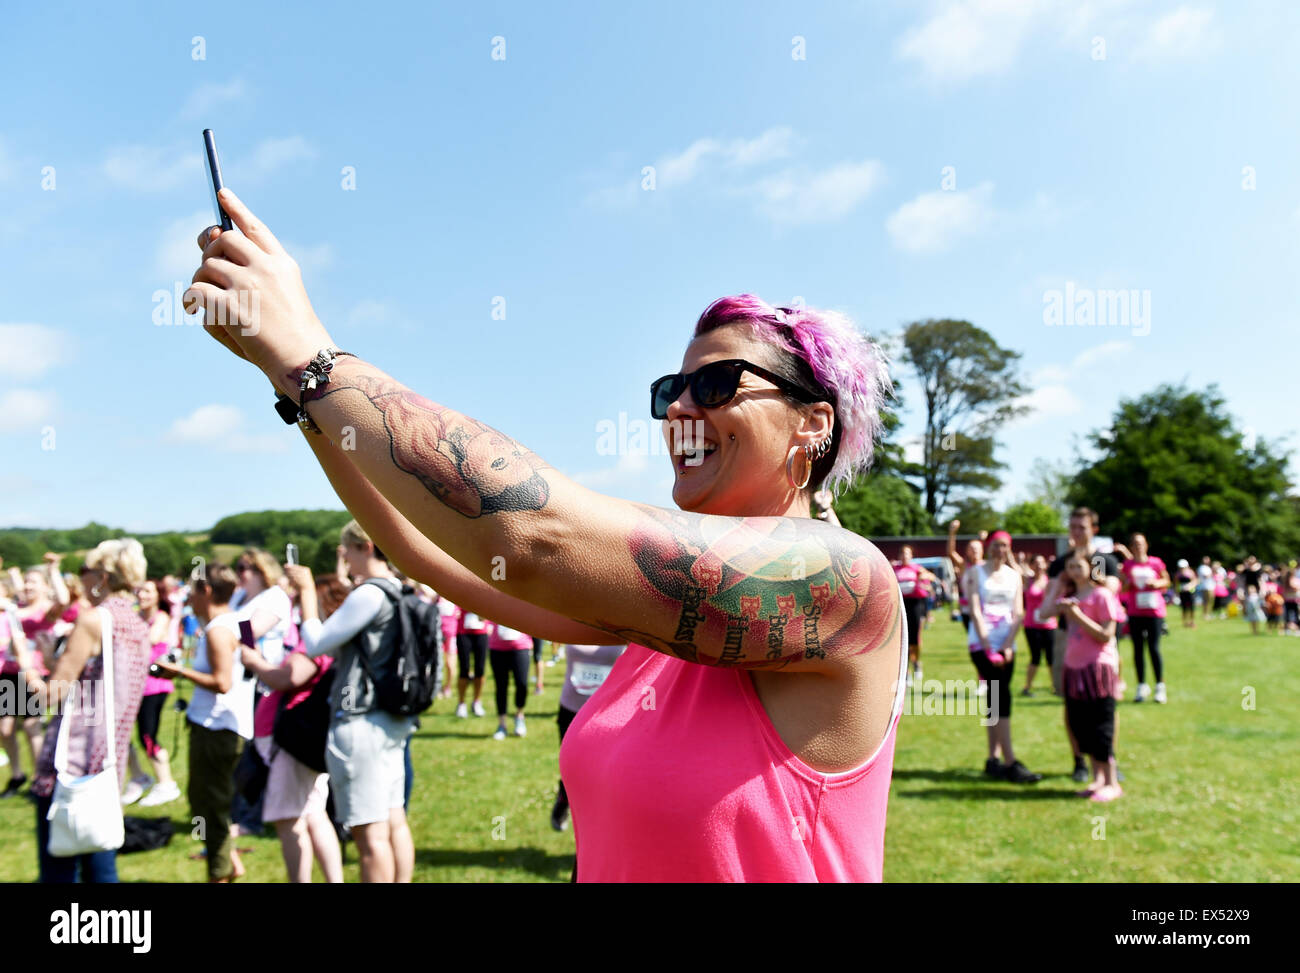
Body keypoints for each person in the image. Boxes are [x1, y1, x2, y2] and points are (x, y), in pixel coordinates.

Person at [187, 208, 905, 881]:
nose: (681, 409)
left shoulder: (844, 583)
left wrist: (310, 354)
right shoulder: (656, 609)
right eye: (671, 390)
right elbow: (418, 548)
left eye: (717, 383)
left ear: (813, 422)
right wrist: (289, 381)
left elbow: (535, 538)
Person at [286, 520, 415, 883]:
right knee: (394, 823)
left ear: (367, 546)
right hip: (392, 718)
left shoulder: (369, 594)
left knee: (369, 836)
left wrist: (308, 594)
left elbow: (316, 643)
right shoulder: (399, 589)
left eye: (348, 549)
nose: (343, 556)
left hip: (361, 721)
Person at [22, 539, 152, 883]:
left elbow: (49, 696)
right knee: (99, 859)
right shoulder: (138, 624)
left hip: (69, 761)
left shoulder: (94, 620)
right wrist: (55, 662)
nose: (81, 579)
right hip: (109, 759)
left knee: (59, 865)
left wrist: (27, 665)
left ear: (103, 577)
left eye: (85, 571)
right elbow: (97, 684)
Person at [154, 564, 254, 882]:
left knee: (207, 804)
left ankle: (220, 873)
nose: (188, 598)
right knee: (215, 802)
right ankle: (228, 862)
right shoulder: (243, 620)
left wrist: (179, 672)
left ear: (206, 591)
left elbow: (223, 682)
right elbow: (250, 664)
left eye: (192, 592)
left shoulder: (217, 631)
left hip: (215, 727)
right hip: (233, 723)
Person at [238, 598, 344, 883]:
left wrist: (255, 663)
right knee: (313, 815)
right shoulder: (325, 643)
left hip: (291, 744)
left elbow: (288, 678)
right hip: (302, 741)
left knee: (290, 820)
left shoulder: (314, 645)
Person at [1037, 507, 1121, 783]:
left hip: (1098, 643)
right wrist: (1062, 583)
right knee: (1072, 703)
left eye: (1081, 527)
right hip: (1068, 639)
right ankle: (1079, 761)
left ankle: (1106, 757)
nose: (1076, 532)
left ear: (1093, 529)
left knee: (1105, 705)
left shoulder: (1103, 560)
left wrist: (1084, 576)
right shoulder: (1061, 563)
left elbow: (1108, 591)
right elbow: (1047, 605)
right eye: (1072, 527)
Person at [963, 531, 1040, 783]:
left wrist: (1007, 645)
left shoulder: (1013, 576)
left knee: (995, 700)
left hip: (1006, 644)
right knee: (1001, 698)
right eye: (996, 545)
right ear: (988, 546)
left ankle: (992, 759)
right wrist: (988, 646)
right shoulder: (976, 573)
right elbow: (974, 609)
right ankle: (1011, 762)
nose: (1000, 550)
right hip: (982, 644)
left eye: (1004, 546)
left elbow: (1018, 612)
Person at [1051, 549, 1123, 802]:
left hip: (1097, 670)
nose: (1074, 571)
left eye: (1078, 566)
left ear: (1091, 568)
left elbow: (1106, 634)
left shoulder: (1101, 595)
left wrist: (1077, 615)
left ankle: (1112, 782)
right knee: (1081, 726)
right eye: (1070, 566)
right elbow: (1043, 612)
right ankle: (1098, 779)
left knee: (1101, 725)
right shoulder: (1071, 595)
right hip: (1074, 669)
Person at [3, 555, 70, 797]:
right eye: (26, 582)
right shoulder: (15, 608)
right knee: (5, 729)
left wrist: (54, 570)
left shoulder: (47, 611)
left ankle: (39, 778)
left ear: (44, 586)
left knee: (32, 726)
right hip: (10, 673)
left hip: (35, 674)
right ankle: (17, 774)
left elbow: (63, 599)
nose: (29, 587)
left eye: (34, 582)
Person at [550, 642, 627, 830]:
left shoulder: (626, 620)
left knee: (602, 776)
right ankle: (564, 798)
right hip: (571, 709)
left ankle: (593, 827)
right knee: (571, 769)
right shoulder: (575, 617)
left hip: (608, 714)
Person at [125, 579, 181, 806]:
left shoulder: (161, 617)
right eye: (139, 591)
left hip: (154, 686)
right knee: (133, 735)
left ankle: (166, 783)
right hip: (135, 685)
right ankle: (140, 777)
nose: (142, 595)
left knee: (148, 736)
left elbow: (152, 639)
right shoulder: (136, 616)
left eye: (147, 591)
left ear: (158, 595)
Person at [1119, 534, 1170, 704]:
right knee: (1138, 649)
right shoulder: (1128, 565)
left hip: (1154, 611)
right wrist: (1131, 582)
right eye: (1135, 544)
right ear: (1131, 547)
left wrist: (1156, 583)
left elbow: (1166, 581)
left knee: (1154, 648)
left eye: (1141, 543)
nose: (1138, 547)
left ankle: (1159, 687)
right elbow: (1123, 587)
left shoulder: (1155, 562)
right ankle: (1141, 685)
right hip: (1135, 611)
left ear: (1146, 545)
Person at [893, 545, 938, 687]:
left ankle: (917, 663)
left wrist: (923, 577)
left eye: (907, 553)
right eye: (902, 553)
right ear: (899, 555)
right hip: (900, 605)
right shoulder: (894, 568)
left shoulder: (916, 568)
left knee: (915, 639)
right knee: (902, 639)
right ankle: (906, 673)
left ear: (911, 556)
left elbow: (931, 577)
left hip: (915, 604)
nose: (905, 556)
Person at [487, 620, 533, 740]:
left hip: (521, 646)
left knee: (522, 684)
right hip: (497, 648)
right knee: (501, 686)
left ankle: (519, 715)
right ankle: (502, 724)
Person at [1020, 554, 1056, 697]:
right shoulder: (1027, 581)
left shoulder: (1051, 582)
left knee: (1051, 658)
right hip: (1031, 625)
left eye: (1042, 563)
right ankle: (1027, 687)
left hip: (1049, 625)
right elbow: (1018, 568)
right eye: (1036, 563)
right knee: (1035, 657)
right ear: (1032, 566)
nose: (1040, 566)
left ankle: (1055, 686)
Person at [454, 604, 490, 718]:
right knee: (464, 668)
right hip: (464, 632)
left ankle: (476, 701)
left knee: (480, 669)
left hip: (481, 632)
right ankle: (461, 703)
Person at [1175, 559, 1197, 628]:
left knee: (1191, 608)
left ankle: (1192, 622)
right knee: (1184, 608)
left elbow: (1195, 581)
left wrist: (1190, 586)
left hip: (1191, 592)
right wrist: (1177, 593)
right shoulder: (1178, 574)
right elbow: (1176, 584)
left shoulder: (1190, 572)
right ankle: (1185, 622)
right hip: (1182, 593)